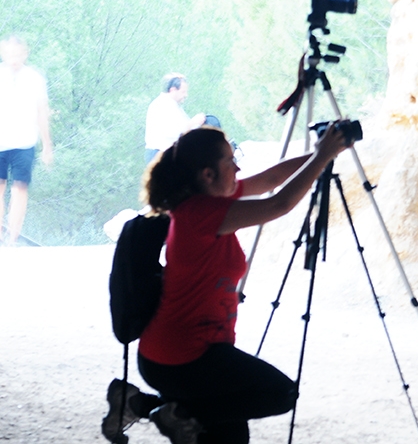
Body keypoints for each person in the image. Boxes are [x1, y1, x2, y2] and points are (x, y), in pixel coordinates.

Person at [102, 122, 352, 444]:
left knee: (230, 434)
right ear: (207, 174)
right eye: (230, 161)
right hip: (182, 356)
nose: (237, 167)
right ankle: (165, 412)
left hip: (191, 350)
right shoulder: (199, 213)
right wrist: (321, 156)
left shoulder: (205, 199)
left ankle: (138, 403)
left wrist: (324, 154)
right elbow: (279, 204)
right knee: (280, 393)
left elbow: (271, 181)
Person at [0, 36, 53, 246]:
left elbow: (42, 112)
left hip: (25, 141)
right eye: (10, 54)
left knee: (20, 188)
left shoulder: (34, 79)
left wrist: (47, 145)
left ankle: (13, 236)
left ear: (25, 54)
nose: (14, 59)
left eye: (18, 54)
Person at [145, 74, 206, 163]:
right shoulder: (162, 105)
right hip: (160, 154)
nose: (186, 95)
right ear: (173, 90)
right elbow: (172, 131)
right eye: (183, 92)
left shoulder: (174, 106)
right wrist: (193, 122)